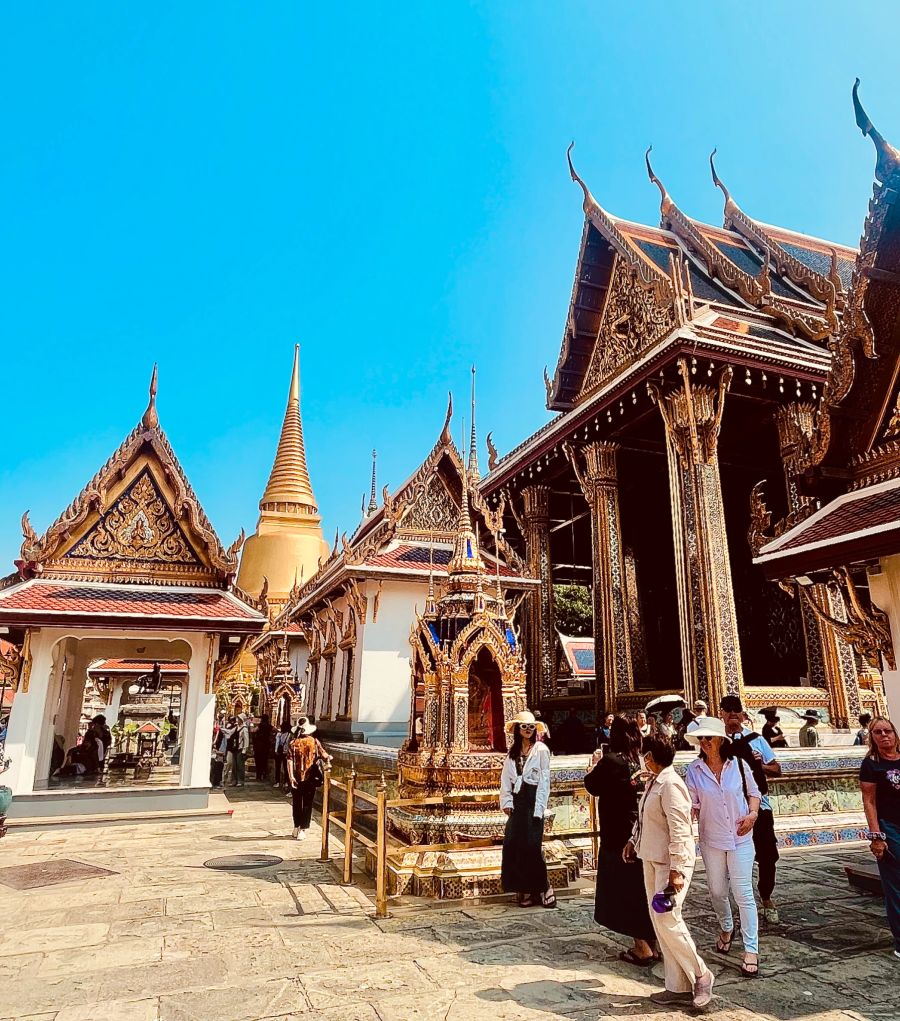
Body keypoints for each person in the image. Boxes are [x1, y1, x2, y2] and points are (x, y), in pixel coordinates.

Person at [624, 734, 714, 1009]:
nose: (643, 758)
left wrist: (677, 870)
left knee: (668, 918)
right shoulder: (654, 781)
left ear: (650, 756)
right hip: (651, 857)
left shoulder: (672, 785)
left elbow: (680, 830)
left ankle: (700, 974)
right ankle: (676, 986)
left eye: (644, 754)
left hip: (670, 864)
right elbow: (644, 817)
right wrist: (633, 840)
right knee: (658, 921)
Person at [685, 717, 762, 977]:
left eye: (709, 737)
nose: (705, 742)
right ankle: (726, 926)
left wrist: (752, 815)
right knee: (717, 891)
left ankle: (751, 949)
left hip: (740, 837)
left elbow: (754, 793)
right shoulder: (694, 770)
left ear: (721, 740)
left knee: (743, 893)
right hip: (712, 838)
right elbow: (692, 805)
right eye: (702, 738)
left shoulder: (738, 765)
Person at [584, 717, 657, 966]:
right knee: (642, 887)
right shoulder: (639, 760)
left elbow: (592, 786)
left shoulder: (612, 761)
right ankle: (653, 942)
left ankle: (642, 946)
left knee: (625, 890)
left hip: (617, 835)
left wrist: (593, 766)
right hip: (641, 830)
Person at [720, 695, 782, 925]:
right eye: (728, 710)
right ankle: (738, 901)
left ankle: (766, 897)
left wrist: (760, 764)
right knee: (730, 857)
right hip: (729, 809)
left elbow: (777, 769)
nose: (733, 714)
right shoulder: (717, 741)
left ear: (743, 714)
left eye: (737, 710)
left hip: (760, 807)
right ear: (722, 714)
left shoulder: (757, 740)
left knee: (767, 855)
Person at [500, 710, 556, 908]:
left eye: (531, 727)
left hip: (533, 799)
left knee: (532, 847)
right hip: (518, 799)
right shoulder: (513, 752)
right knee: (514, 845)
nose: (528, 730)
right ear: (518, 729)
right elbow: (506, 777)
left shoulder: (540, 749)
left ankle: (543, 887)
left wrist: (539, 808)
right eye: (524, 727)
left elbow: (545, 780)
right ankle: (524, 889)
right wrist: (507, 801)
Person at [860, 717, 900, 960]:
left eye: (888, 731)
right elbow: (869, 801)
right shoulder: (872, 765)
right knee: (895, 884)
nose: (884, 735)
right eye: (878, 732)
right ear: (872, 737)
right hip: (890, 828)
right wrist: (876, 836)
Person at [286, 717, 330, 838]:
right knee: (307, 803)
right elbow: (324, 754)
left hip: (296, 777)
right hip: (310, 777)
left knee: (296, 802)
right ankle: (303, 829)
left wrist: (291, 777)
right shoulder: (314, 742)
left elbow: (289, 761)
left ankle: (296, 826)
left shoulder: (293, 743)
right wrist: (329, 758)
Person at [254, 715, 273, 782]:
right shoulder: (269, 726)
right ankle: (264, 774)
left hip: (258, 745)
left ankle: (258, 775)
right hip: (266, 745)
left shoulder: (260, 726)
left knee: (258, 761)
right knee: (264, 760)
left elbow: (253, 731)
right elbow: (276, 730)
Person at [273, 721, 292, 789]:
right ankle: (285, 782)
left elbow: (277, 743)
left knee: (279, 767)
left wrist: (276, 751)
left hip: (280, 752)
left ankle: (278, 782)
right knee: (285, 768)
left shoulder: (279, 734)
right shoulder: (289, 735)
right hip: (285, 752)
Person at [234, 714, 251, 786]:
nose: (237, 720)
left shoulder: (244, 729)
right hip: (234, 748)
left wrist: (244, 750)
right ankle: (235, 780)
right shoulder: (236, 727)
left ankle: (241, 780)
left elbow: (246, 740)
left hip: (240, 748)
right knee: (234, 766)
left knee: (240, 765)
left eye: (239, 719)